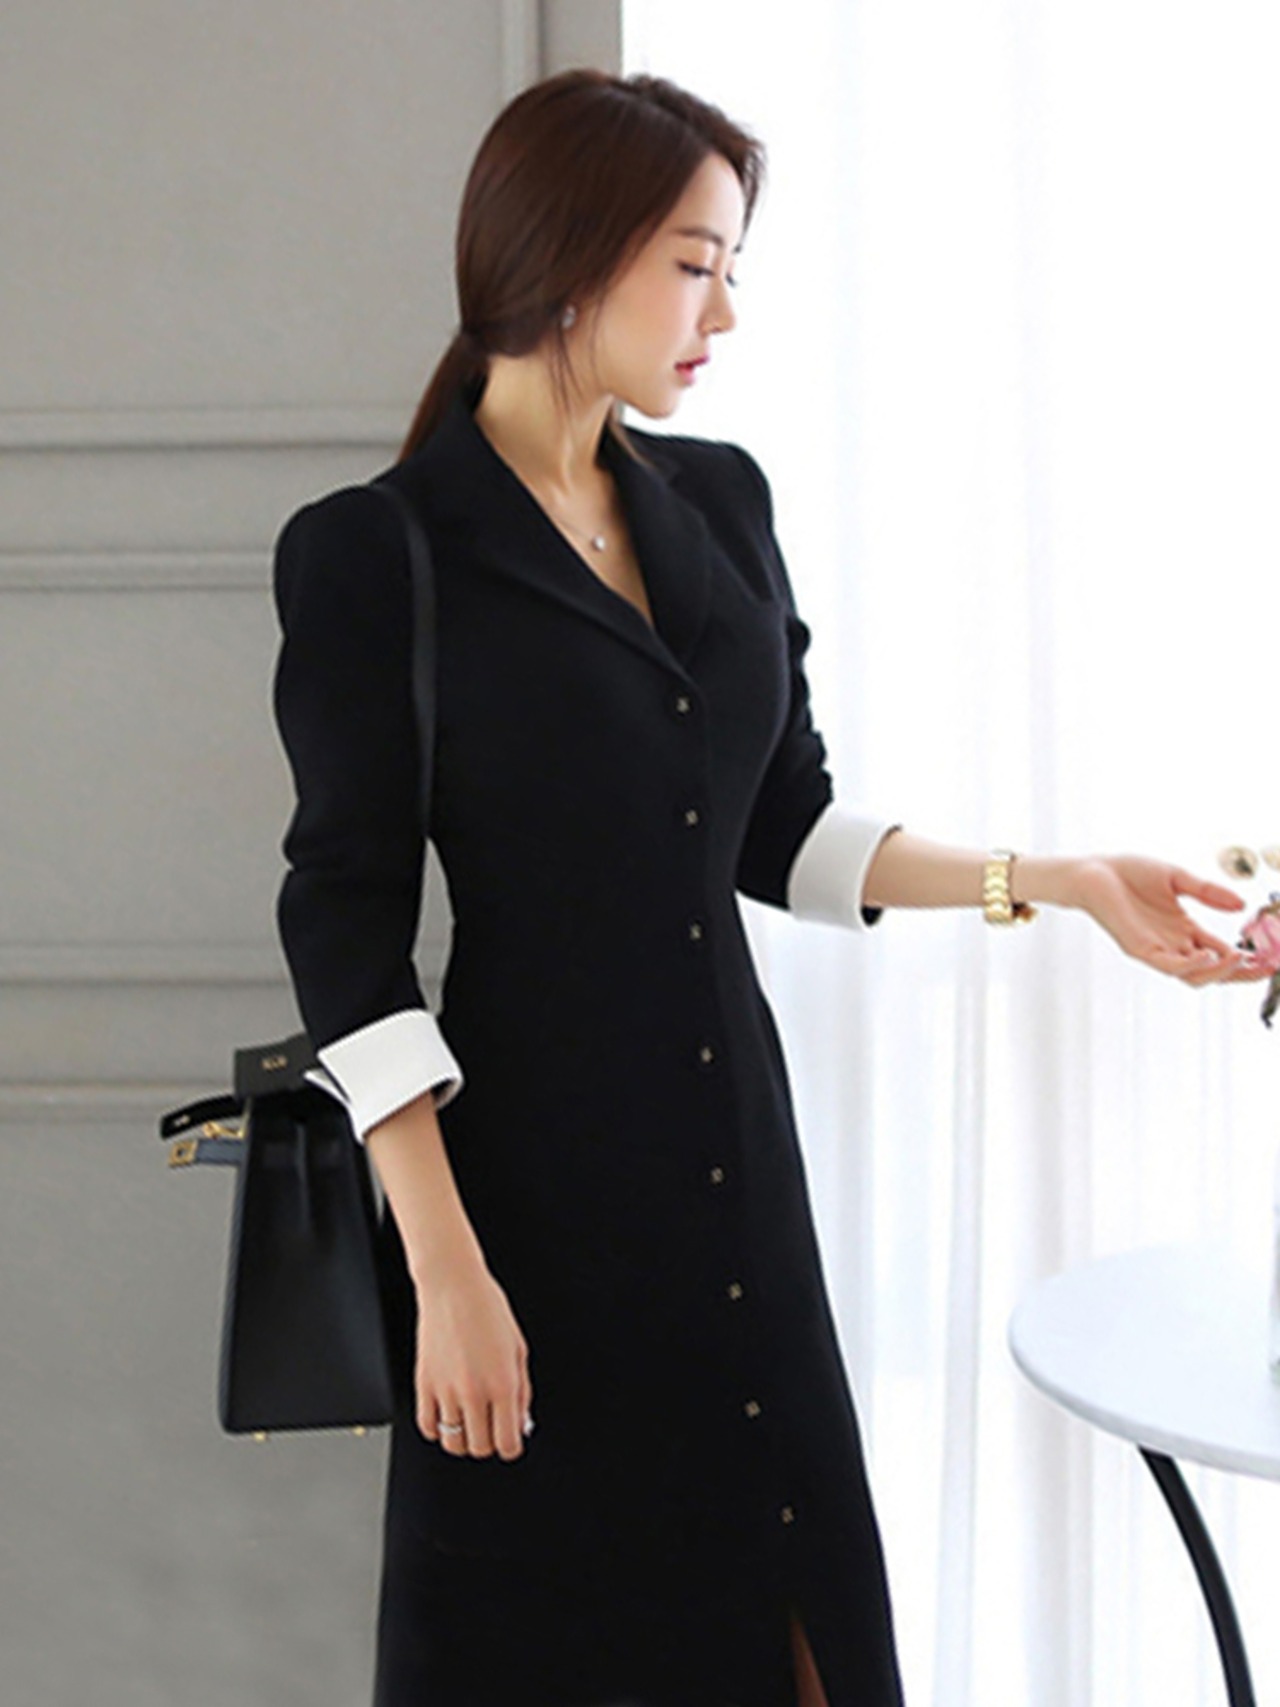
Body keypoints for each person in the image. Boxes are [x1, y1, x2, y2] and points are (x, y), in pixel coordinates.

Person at [269, 67, 1265, 1707]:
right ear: (568, 254)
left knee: (800, 1635)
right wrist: (446, 1271)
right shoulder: (382, 554)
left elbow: (776, 828)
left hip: (738, 1170)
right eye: (695, 263)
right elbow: (345, 932)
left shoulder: (718, 503)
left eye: (732, 266)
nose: (725, 310)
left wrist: (1059, 879)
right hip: (529, 1213)